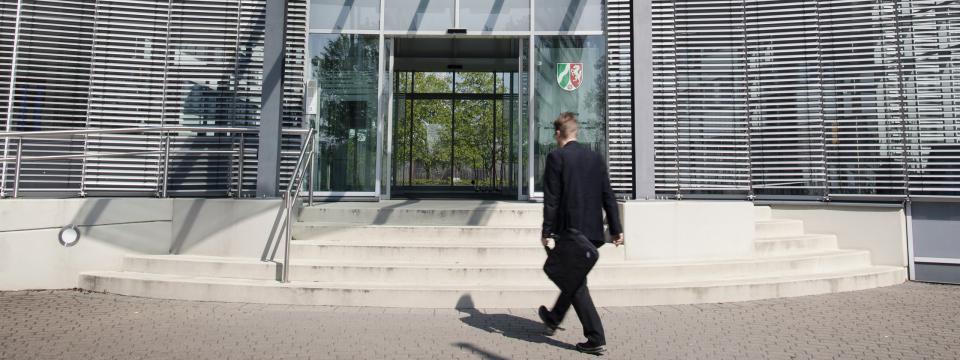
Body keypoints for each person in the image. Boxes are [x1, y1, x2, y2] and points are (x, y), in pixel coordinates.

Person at [538, 112, 624, 356]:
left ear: (558, 133)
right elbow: (608, 194)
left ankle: (595, 337)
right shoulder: (595, 158)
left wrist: (547, 231)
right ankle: (554, 318)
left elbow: (552, 200)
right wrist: (616, 229)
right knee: (575, 278)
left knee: (575, 282)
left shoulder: (557, 157)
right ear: (575, 132)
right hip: (593, 234)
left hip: (570, 231)